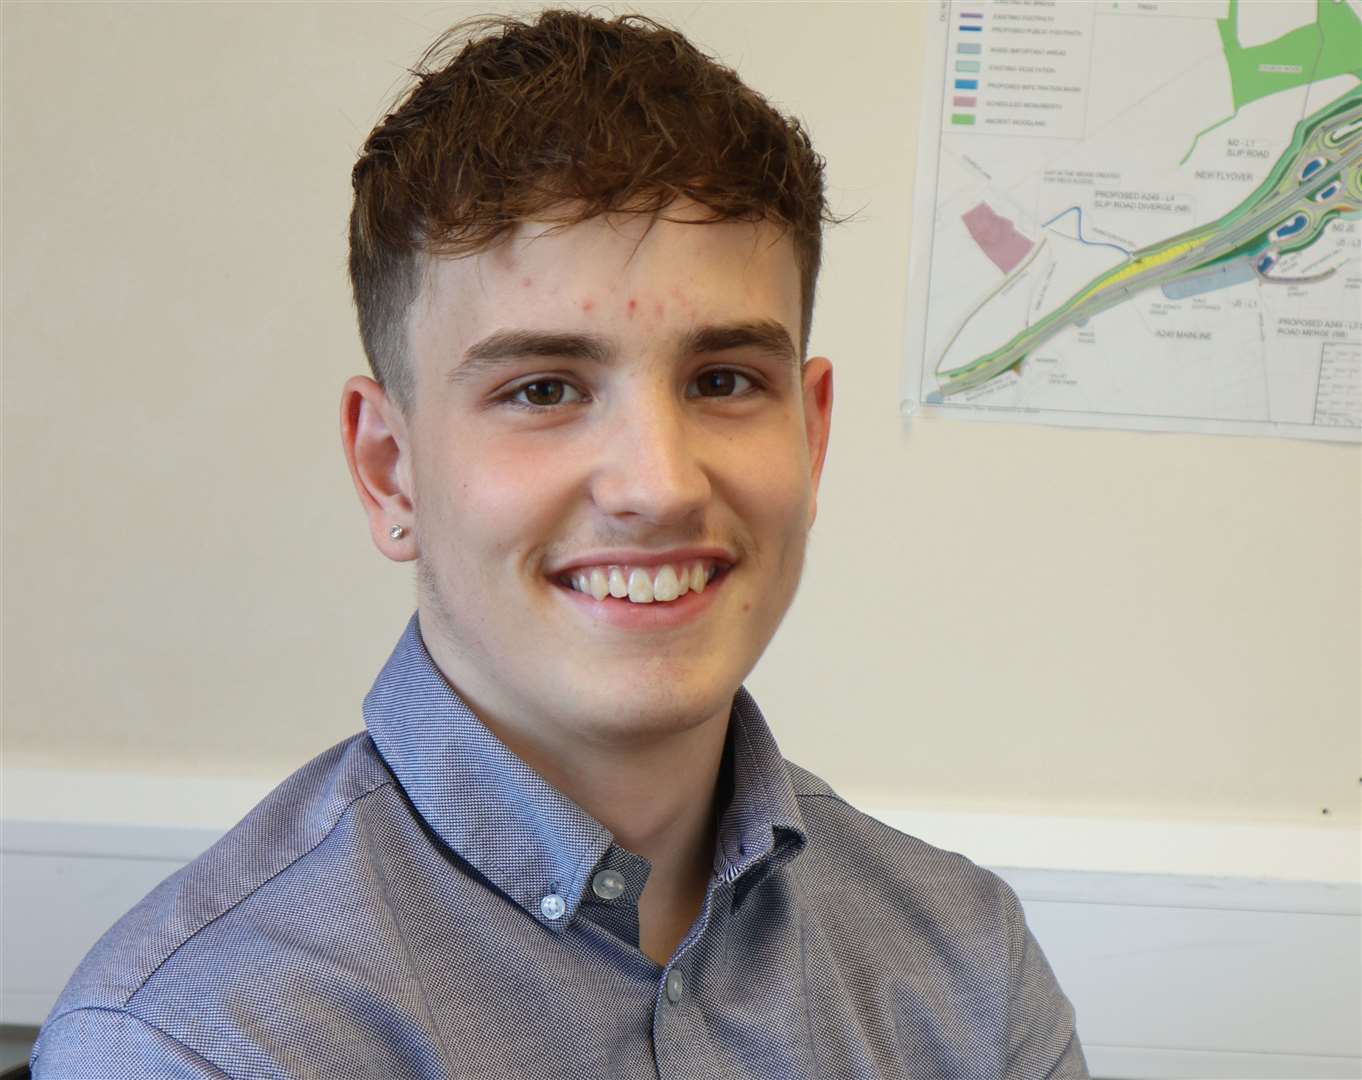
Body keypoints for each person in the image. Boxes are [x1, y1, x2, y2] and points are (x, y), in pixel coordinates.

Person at [31, 10, 1087, 1078]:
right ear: (388, 468)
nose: (659, 485)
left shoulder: (966, 970)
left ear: (810, 433)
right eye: (542, 389)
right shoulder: (191, 1045)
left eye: (724, 381)